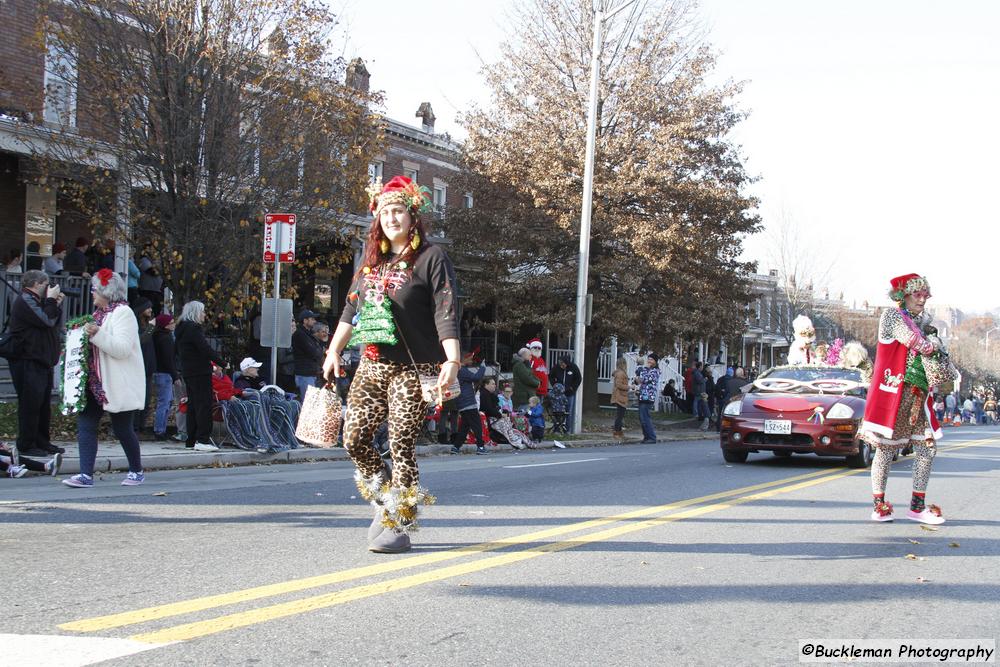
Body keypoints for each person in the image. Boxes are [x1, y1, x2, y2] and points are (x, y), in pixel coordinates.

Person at [322, 175, 461, 554]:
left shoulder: (432, 259)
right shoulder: (372, 264)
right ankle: (386, 502)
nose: (391, 218)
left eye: (398, 211)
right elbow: (352, 308)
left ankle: (399, 523)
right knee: (354, 438)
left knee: (400, 442)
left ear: (412, 216)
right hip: (372, 365)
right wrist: (334, 350)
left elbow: (446, 310)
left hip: (414, 370)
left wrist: (452, 358)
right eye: (385, 212)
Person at [859, 273, 946, 525]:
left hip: (917, 395)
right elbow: (919, 344)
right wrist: (934, 342)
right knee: (885, 450)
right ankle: (880, 505)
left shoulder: (921, 321)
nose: (922, 300)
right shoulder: (893, 316)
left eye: (925, 296)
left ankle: (917, 506)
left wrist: (934, 338)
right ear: (903, 296)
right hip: (894, 394)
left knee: (927, 448)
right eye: (917, 295)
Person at [62, 270, 147, 488]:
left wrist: (96, 334)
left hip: (116, 382)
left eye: (94, 290)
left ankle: (136, 470)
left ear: (106, 291)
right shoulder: (99, 313)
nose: (92, 294)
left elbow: (122, 349)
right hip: (92, 381)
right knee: (85, 426)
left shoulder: (123, 313)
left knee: (122, 429)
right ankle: (85, 474)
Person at [7, 270, 64, 459]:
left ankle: (42, 441)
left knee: (42, 404)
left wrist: (55, 303)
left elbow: (53, 321)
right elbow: (46, 320)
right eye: (47, 284)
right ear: (37, 284)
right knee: (30, 404)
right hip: (27, 360)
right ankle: (26, 444)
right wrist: (50, 302)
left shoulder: (39, 301)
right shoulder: (25, 300)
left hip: (42, 360)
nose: (49, 288)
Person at [174, 300, 224, 452]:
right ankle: (202, 439)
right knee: (203, 405)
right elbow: (205, 348)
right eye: (202, 312)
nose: (204, 315)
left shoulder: (181, 329)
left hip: (188, 371)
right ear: (196, 313)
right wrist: (221, 362)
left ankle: (191, 439)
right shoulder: (194, 329)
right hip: (200, 371)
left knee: (193, 405)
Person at [452, 353, 487, 455]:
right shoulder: (462, 370)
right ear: (464, 359)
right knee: (477, 425)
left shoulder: (457, 370)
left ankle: (456, 447)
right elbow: (476, 377)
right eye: (470, 359)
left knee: (465, 426)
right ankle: (480, 447)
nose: (471, 361)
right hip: (468, 402)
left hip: (461, 402)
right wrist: (482, 367)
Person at [481, 377, 527, 449]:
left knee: (522, 419)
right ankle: (509, 438)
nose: (495, 385)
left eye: (509, 392)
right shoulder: (492, 396)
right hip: (492, 417)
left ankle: (519, 436)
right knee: (507, 420)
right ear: (486, 385)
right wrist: (502, 414)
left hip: (502, 415)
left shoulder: (506, 399)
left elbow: (501, 409)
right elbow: (490, 409)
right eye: (492, 384)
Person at [132, 298, 156, 436]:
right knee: (138, 398)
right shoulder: (135, 324)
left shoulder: (147, 324)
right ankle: (135, 426)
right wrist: (151, 328)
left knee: (146, 400)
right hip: (138, 367)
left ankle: (141, 425)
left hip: (148, 367)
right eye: (148, 308)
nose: (150, 310)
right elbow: (140, 341)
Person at [151, 313, 178, 439]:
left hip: (159, 372)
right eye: (171, 322)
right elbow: (169, 360)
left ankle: (161, 428)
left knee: (166, 401)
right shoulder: (166, 339)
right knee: (164, 402)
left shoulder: (156, 337)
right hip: (165, 374)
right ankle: (159, 430)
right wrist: (175, 375)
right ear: (166, 325)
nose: (173, 324)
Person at [292, 309, 323, 399]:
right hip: (304, 374)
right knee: (308, 403)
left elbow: (317, 351)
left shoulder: (309, 334)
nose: (315, 321)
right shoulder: (300, 334)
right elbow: (314, 352)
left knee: (312, 402)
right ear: (305, 321)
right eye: (312, 319)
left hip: (311, 373)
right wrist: (319, 351)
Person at [550, 355, 581, 433]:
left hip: (569, 393)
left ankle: (568, 429)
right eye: (560, 364)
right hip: (558, 393)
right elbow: (551, 376)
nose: (561, 366)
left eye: (563, 364)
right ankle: (557, 429)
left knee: (568, 411)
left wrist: (572, 387)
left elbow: (578, 378)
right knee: (557, 411)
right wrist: (554, 384)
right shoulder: (556, 367)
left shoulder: (573, 367)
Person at [634, 353, 660, 443]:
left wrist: (645, 369)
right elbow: (638, 380)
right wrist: (638, 379)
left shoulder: (655, 371)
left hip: (648, 396)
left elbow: (644, 378)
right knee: (642, 417)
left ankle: (652, 437)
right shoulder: (647, 370)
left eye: (651, 359)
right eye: (648, 359)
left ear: (656, 362)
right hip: (642, 395)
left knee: (645, 417)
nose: (649, 361)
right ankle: (646, 436)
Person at [611, 358, 629, 441]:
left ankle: (619, 431)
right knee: (619, 416)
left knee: (620, 415)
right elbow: (619, 385)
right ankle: (616, 432)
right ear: (623, 364)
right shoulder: (621, 374)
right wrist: (629, 387)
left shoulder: (619, 373)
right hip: (620, 396)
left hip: (620, 396)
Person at [691, 361, 709, 429]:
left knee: (699, 402)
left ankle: (699, 413)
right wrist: (705, 379)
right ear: (699, 367)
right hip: (699, 390)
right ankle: (696, 413)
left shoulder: (697, 373)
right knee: (697, 401)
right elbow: (700, 381)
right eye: (701, 366)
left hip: (699, 390)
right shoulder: (697, 373)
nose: (702, 367)